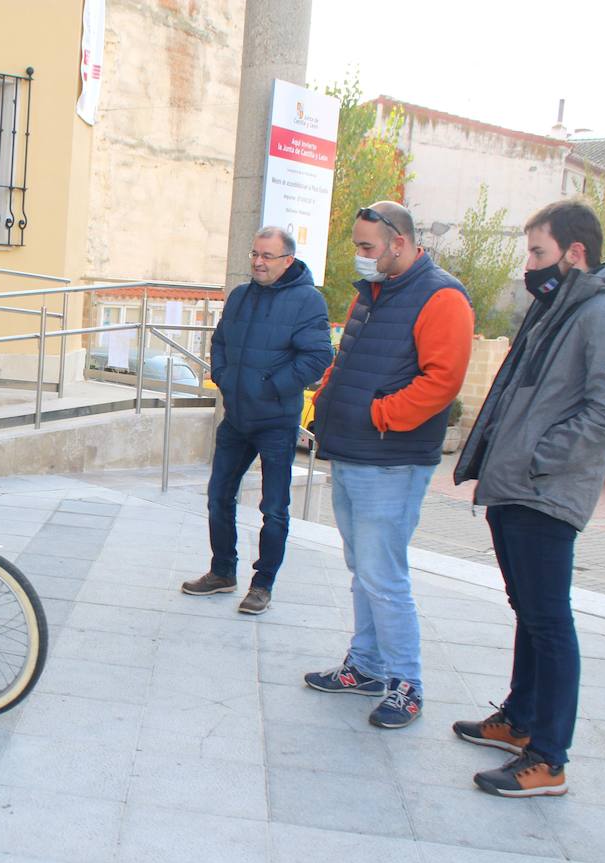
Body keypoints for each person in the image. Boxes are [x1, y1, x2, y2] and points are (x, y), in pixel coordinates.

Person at [452, 200, 605, 796]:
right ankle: (519, 721)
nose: (529, 265)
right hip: (518, 485)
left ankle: (549, 757)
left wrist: (540, 459)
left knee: (549, 620)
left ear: (575, 253)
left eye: (538, 253)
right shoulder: (558, 309)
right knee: (529, 611)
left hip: (547, 491)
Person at [303, 201, 473, 728]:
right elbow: (346, 359)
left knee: (384, 576)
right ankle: (367, 666)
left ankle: (406, 683)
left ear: (399, 243)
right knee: (364, 570)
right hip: (353, 451)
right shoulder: (373, 293)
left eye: (366, 247)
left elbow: (441, 381)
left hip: (391, 460)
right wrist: (327, 402)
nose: (359, 256)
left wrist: (379, 415)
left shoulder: (442, 296)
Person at [181, 227, 332, 613]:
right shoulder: (240, 296)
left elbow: (317, 358)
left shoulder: (307, 301)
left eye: (267, 256)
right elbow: (220, 342)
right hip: (236, 417)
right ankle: (222, 572)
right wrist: (226, 380)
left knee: (274, 508)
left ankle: (262, 584)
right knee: (218, 496)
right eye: (255, 254)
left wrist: (270, 386)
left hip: (276, 422)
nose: (258, 262)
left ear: (288, 260)